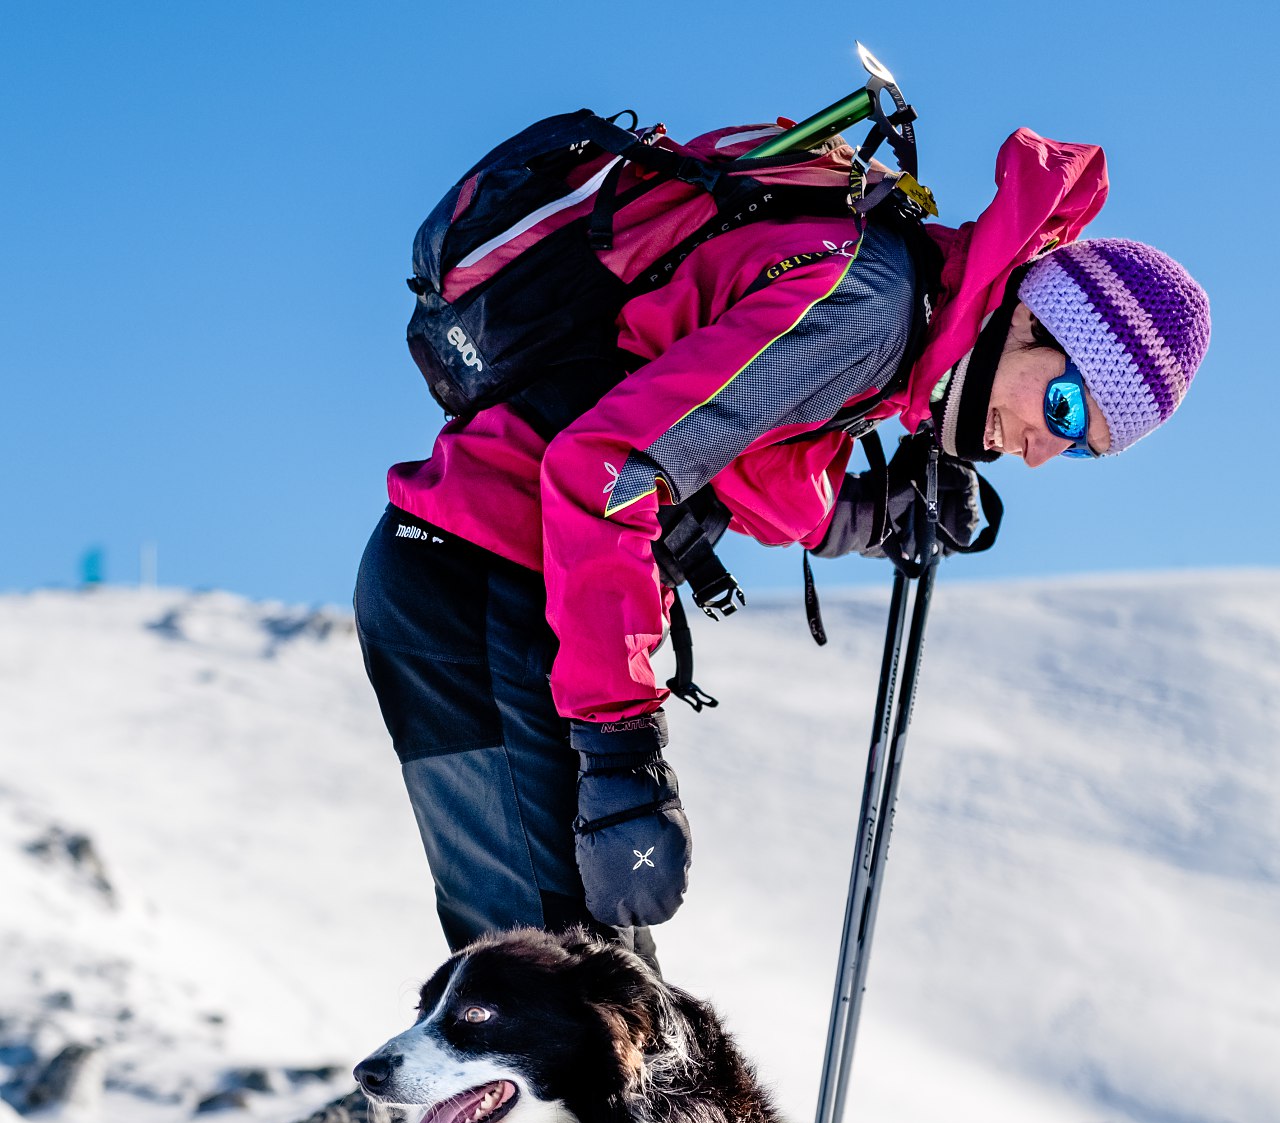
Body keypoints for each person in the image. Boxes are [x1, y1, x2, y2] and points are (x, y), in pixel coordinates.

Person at [354, 125, 1209, 958]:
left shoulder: (891, 308)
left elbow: (739, 464)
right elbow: (608, 470)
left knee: (575, 1006)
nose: (1039, 450)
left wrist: (874, 509)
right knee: (553, 1008)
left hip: (469, 584)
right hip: (484, 589)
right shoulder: (867, 309)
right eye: (1062, 410)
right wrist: (621, 753)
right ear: (1030, 318)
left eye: (1080, 449)